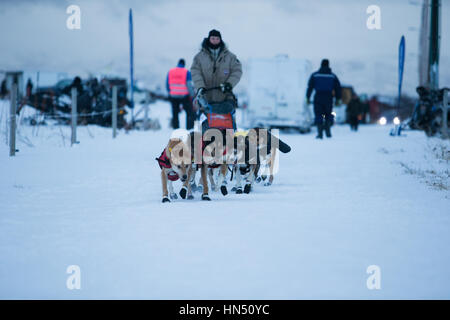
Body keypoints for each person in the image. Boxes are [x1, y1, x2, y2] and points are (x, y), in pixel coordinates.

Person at [191, 29, 242, 111]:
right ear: (209, 39)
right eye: (213, 38)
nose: (215, 41)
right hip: (205, 100)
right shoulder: (199, 57)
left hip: (225, 99)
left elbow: (237, 71)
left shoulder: (230, 57)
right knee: (201, 123)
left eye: (217, 39)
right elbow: (195, 72)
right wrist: (200, 87)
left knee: (227, 123)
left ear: (220, 40)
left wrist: (229, 84)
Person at [306, 59, 342, 139]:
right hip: (329, 98)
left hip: (318, 97)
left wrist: (307, 97)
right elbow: (338, 88)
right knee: (328, 114)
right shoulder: (332, 76)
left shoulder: (315, 75)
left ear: (321, 64)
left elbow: (310, 87)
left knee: (318, 114)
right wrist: (338, 99)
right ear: (328, 65)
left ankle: (319, 133)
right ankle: (328, 132)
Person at [166, 59, 195, 130]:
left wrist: (170, 92)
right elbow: (189, 84)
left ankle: (176, 127)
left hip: (173, 95)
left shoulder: (170, 72)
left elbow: (167, 84)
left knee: (175, 112)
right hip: (184, 96)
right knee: (189, 112)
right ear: (184, 64)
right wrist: (192, 95)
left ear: (178, 63)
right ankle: (189, 128)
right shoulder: (186, 72)